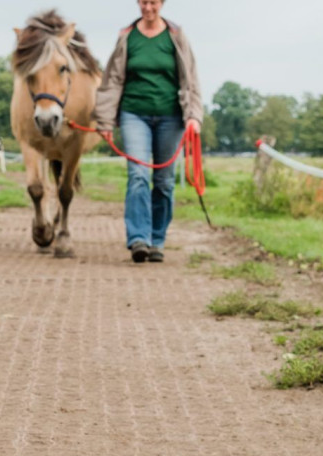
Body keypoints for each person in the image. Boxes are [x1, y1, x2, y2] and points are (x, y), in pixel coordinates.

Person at [94, 0, 204, 263]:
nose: (148, 8)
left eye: (153, 2)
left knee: (164, 182)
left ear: (162, 3)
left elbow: (190, 78)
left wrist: (193, 116)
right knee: (139, 175)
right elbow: (112, 81)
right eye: (143, 2)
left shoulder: (176, 36)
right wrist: (105, 121)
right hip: (134, 114)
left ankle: (157, 239)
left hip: (171, 117)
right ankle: (138, 239)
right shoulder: (126, 37)